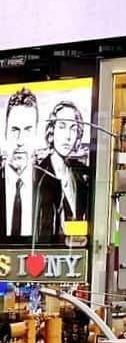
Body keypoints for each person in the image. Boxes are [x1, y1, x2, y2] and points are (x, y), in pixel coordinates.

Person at [0, 88, 59, 244]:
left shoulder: (52, 185)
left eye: (27, 130)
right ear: (5, 132)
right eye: (14, 130)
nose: (20, 141)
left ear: (35, 134)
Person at [38, 100, 90, 244]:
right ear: (51, 131)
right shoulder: (39, 175)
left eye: (73, 129)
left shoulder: (81, 174)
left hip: (76, 249)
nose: (68, 136)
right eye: (62, 127)